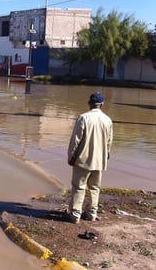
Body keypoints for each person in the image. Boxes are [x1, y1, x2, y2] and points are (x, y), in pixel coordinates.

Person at [65, 92, 113, 224]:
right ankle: (91, 213)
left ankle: (75, 214)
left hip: (83, 160)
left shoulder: (83, 118)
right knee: (95, 187)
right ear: (102, 105)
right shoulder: (107, 120)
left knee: (79, 186)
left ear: (89, 104)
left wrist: (71, 156)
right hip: (99, 160)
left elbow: (75, 140)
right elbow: (109, 142)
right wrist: (106, 156)